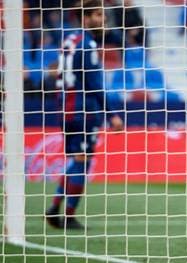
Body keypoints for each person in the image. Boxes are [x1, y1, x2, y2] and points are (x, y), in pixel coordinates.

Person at [46, 0, 123, 230]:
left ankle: (55, 207)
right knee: (83, 161)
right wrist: (112, 115)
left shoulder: (70, 39)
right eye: (98, 15)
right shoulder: (88, 43)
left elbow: (59, 74)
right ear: (85, 17)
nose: (103, 20)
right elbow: (95, 84)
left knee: (77, 160)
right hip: (83, 111)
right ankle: (68, 217)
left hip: (65, 110)